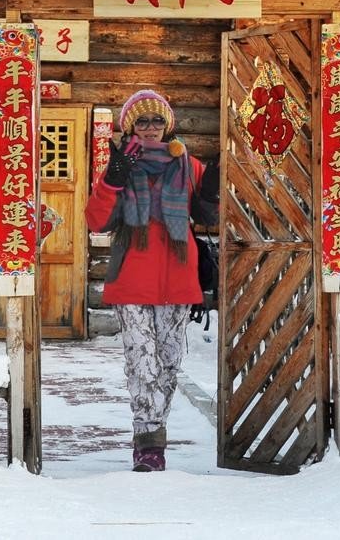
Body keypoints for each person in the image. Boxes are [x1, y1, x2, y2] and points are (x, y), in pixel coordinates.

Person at [85, 89, 219, 472]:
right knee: (142, 364)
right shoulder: (121, 167)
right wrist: (112, 181)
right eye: (141, 121)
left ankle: (153, 429)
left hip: (178, 280)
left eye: (157, 120)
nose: (149, 128)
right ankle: (149, 444)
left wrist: (211, 193)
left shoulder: (188, 167)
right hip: (133, 281)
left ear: (168, 125)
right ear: (129, 127)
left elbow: (205, 215)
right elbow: (96, 221)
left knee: (168, 364)